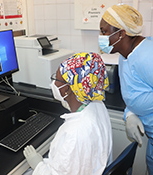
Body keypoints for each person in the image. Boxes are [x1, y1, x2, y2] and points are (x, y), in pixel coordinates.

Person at [23, 52, 113, 175]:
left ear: (67, 89)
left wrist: (38, 165)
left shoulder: (74, 133)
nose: (53, 84)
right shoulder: (98, 105)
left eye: (56, 79)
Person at [98, 4, 153, 174]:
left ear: (121, 33)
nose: (101, 37)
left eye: (104, 32)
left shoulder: (147, 56)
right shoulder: (125, 53)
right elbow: (135, 90)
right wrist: (129, 113)